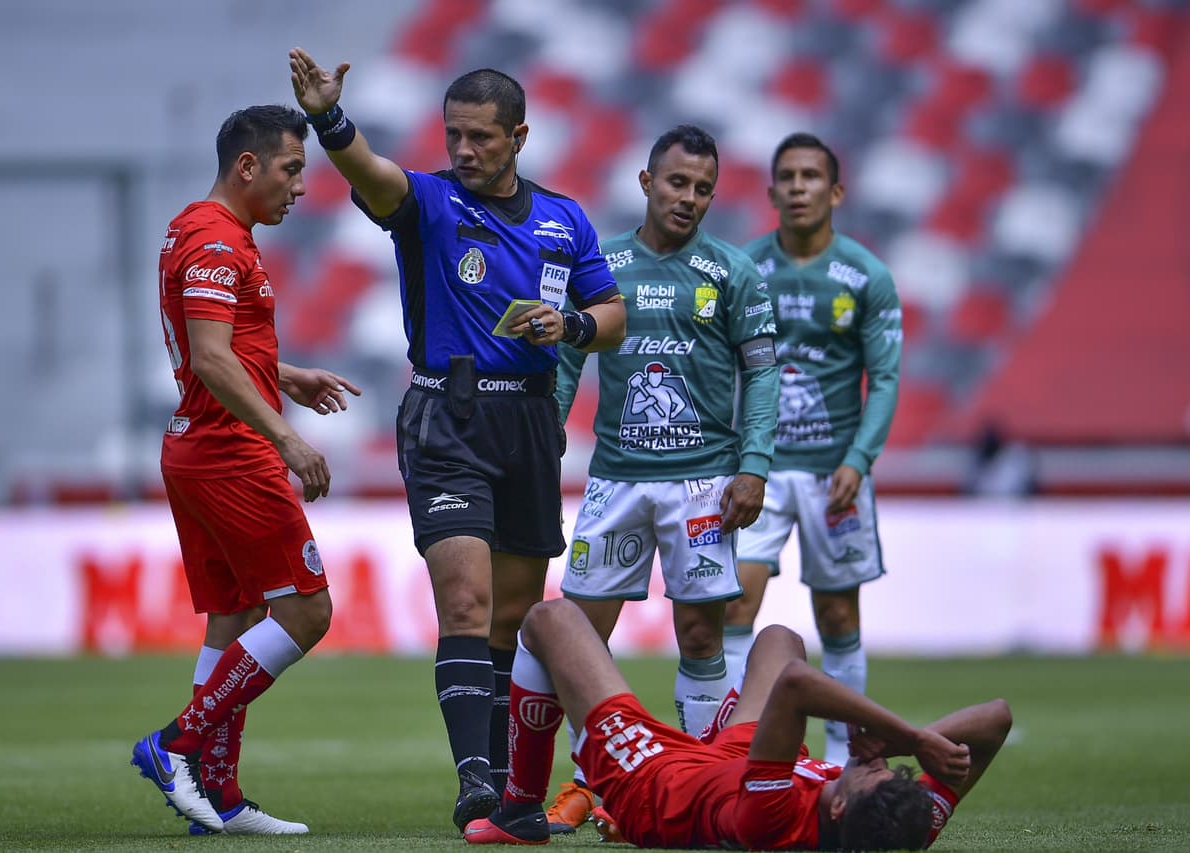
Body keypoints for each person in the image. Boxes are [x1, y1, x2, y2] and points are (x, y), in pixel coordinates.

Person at [287, 48, 626, 831]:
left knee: (511, 616)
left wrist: (570, 323)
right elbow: (371, 172)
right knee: (466, 599)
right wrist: (327, 117)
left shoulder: (564, 218)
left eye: (481, 137)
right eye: (454, 135)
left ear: (520, 136)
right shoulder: (430, 204)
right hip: (449, 417)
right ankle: (477, 777)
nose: (464, 150)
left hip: (531, 421)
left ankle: (507, 791)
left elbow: (611, 318)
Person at [130, 104, 362, 835]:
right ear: (249, 166)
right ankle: (176, 744)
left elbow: (222, 346)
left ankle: (219, 799)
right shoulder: (215, 243)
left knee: (237, 617)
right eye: (293, 169)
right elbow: (210, 357)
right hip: (232, 452)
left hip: (201, 445)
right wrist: (288, 439)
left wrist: (283, 374)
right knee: (307, 609)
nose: (301, 187)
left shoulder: (200, 230)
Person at [547, 124, 779, 832]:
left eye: (703, 188)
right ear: (647, 182)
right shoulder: (604, 263)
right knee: (581, 634)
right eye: (677, 183)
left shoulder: (733, 271)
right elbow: (565, 360)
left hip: (703, 482)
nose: (689, 198)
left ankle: (705, 777)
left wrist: (754, 466)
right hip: (616, 479)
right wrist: (546, 437)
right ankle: (589, 780)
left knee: (702, 633)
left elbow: (763, 373)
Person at [464, 598, 1011, 850]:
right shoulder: (908, 826)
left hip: (657, 783)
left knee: (551, 620)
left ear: (839, 807)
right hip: (744, 764)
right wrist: (904, 751)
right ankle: (711, 730)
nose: (877, 761)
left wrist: (912, 739)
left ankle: (519, 810)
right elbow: (995, 719)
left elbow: (797, 684)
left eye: (874, 771)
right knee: (778, 637)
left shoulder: (773, 823)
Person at [727, 132, 903, 766]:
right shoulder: (745, 269)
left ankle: (844, 755)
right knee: (734, 602)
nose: (798, 187)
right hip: (760, 472)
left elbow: (883, 377)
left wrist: (860, 458)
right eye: (787, 177)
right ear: (772, 191)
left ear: (835, 191)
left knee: (836, 616)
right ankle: (731, 746)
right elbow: (724, 370)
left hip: (835, 471)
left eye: (810, 176)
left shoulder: (865, 275)